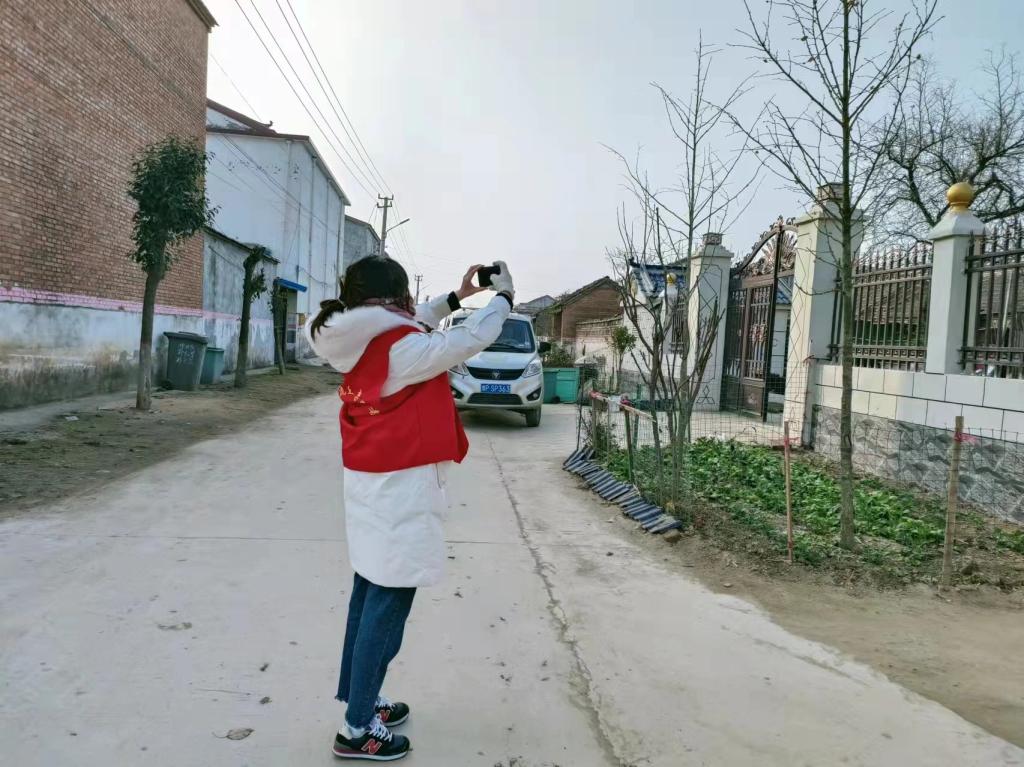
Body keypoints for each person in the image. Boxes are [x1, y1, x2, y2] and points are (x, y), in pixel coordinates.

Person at [305, 256, 516, 761]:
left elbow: (415, 320)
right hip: (398, 491)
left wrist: (457, 296)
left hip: (371, 487)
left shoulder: (360, 337)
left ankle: (361, 699)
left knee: (368, 596)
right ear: (390, 298)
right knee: (388, 606)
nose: (409, 305)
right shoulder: (401, 349)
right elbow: (468, 338)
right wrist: (504, 298)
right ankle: (357, 729)